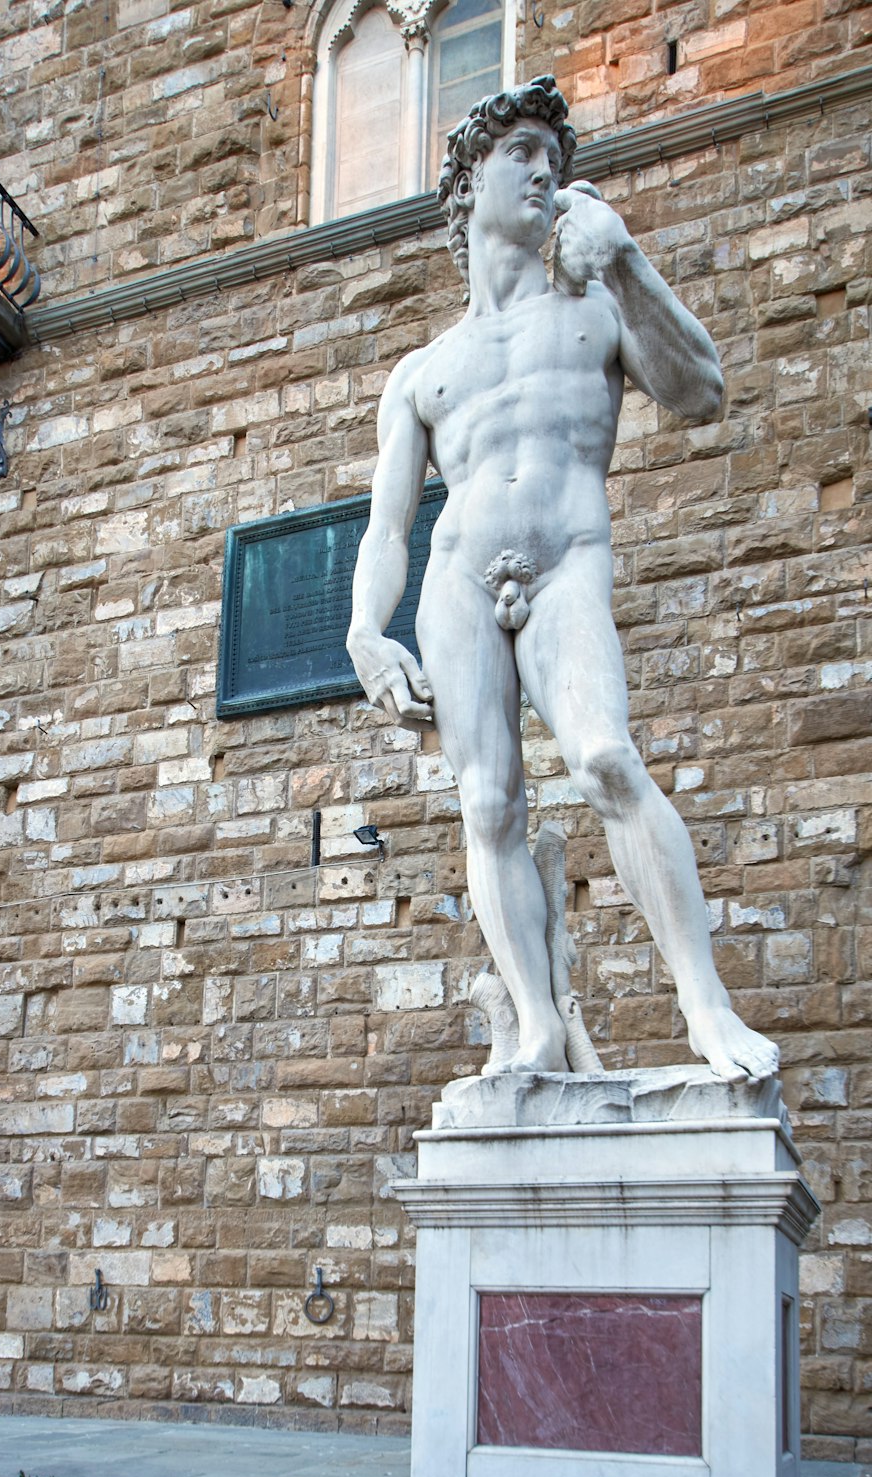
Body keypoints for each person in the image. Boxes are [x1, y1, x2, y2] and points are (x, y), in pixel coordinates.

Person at [346, 75, 779, 1084]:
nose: (546, 171)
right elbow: (385, 525)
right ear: (467, 187)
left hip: (565, 561)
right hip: (458, 577)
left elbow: (701, 388)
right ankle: (537, 1025)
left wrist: (627, 259)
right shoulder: (421, 370)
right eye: (524, 153)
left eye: (555, 157)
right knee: (487, 804)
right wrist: (367, 630)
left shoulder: (592, 308)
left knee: (603, 758)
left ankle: (703, 1005)